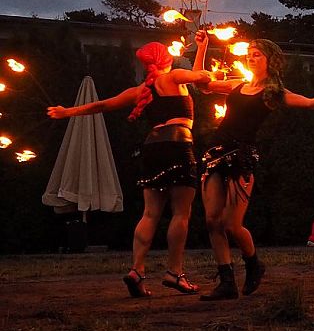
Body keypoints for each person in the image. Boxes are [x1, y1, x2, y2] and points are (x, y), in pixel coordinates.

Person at [193, 31, 314, 300]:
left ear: (270, 60)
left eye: (256, 54)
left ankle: (254, 264)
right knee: (213, 221)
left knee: (232, 224)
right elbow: (201, 82)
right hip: (215, 154)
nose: (250, 57)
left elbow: (310, 103)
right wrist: (203, 47)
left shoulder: (273, 93)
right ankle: (226, 282)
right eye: (249, 54)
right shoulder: (237, 84)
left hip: (242, 158)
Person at [48, 41, 213, 298]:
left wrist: (67, 111)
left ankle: (136, 270)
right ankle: (174, 272)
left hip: (152, 148)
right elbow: (202, 78)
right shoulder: (176, 76)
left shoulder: (140, 91)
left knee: (150, 213)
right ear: (164, 58)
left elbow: (101, 106)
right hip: (178, 145)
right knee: (181, 213)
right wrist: (211, 71)